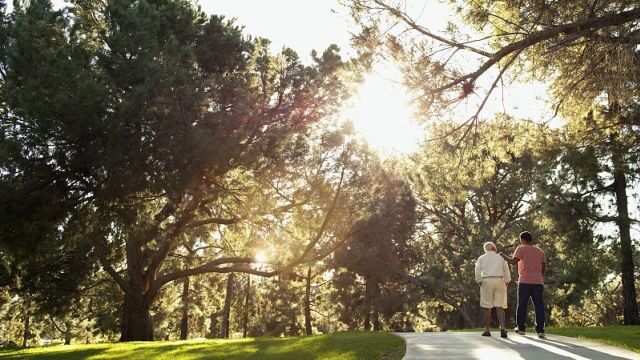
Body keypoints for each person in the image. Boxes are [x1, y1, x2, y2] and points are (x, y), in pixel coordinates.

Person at [500, 231, 547, 339]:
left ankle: (521, 328)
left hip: (525, 281)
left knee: (522, 305)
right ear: (531, 239)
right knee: (539, 306)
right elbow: (543, 266)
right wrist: (538, 275)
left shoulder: (521, 248)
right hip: (538, 282)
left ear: (522, 239)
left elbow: (513, 261)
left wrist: (503, 255)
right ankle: (540, 330)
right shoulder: (540, 251)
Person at [475, 241, 511, 338]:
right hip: (500, 280)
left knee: (487, 307)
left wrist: (480, 281)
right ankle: (503, 328)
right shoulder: (501, 258)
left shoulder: (481, 258)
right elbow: (506, 270)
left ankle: (487, 330)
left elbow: (477, 271)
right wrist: (507, 281)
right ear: (494, 248)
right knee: (500, 307)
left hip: (487, 281)